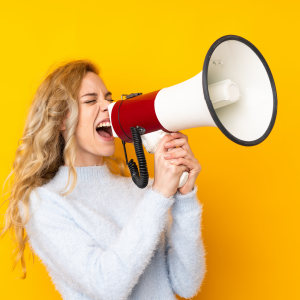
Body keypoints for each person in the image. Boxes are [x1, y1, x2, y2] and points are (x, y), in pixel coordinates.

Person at [1, 60, 206, 300]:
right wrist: (159, 195)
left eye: (109, 99)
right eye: (91, 100)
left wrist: (184, 198)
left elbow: (186, 284)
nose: (108, 107)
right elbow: (106, 287)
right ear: (61, 120)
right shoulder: (44, 202)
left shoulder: (143, 189)